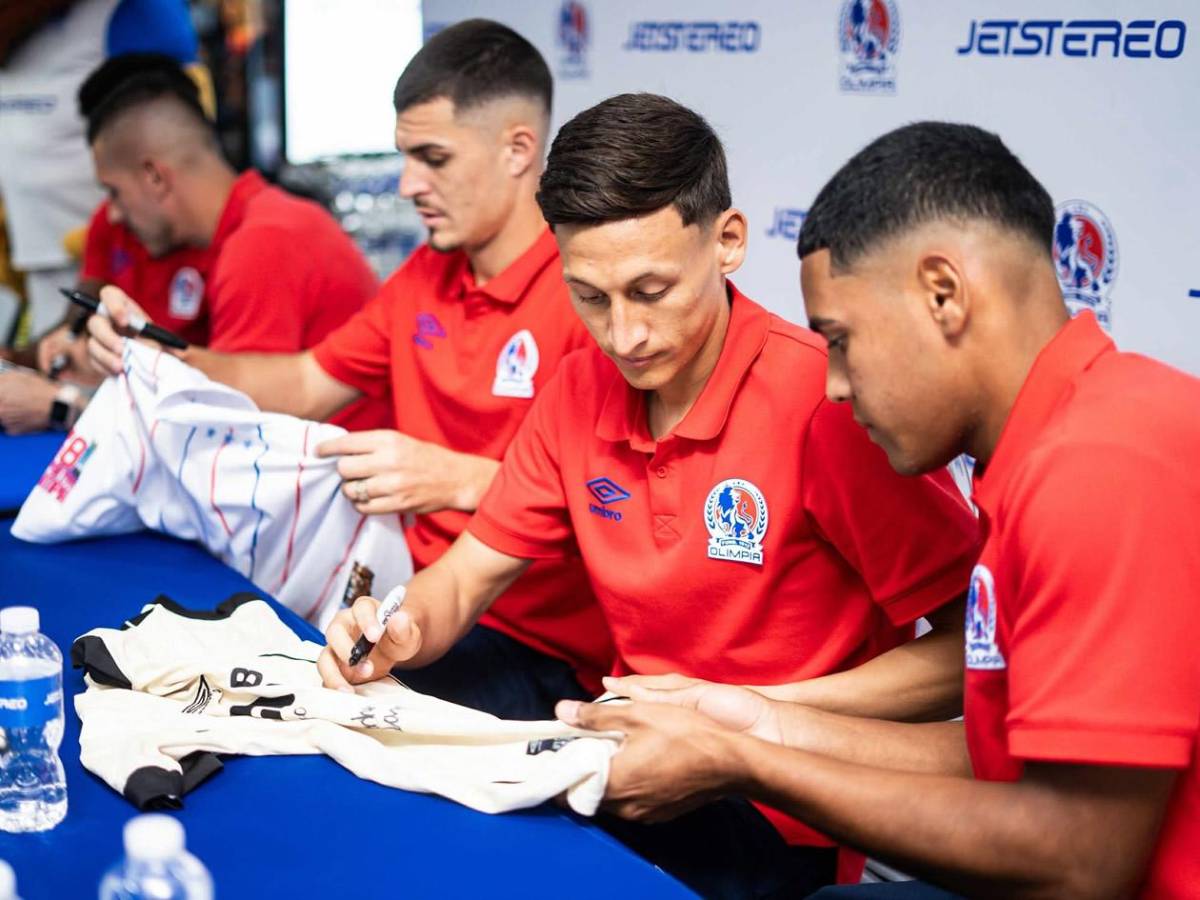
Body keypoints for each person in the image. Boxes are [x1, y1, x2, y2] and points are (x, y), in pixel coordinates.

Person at [317, 94, 980, 899]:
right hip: (620, 760)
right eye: (590, 297)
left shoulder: (826, 402)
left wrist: (745, 712)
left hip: (779, 804)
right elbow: (462, 580)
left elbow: (967, 652)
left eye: (651, 291)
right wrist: (399, 629)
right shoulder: (575, 391)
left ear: (728, 241)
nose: (622, 334)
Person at [556, 122, 1200, 900]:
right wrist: (741, 721)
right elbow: (1000, 758)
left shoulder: (1101, 466)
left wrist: (745, 761)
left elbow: (1077, 861)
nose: (831, 383)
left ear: (944, 295)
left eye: (841, 339)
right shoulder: (1058, 446)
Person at [89, 20, 615, 719]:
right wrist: (155, 351)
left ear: (519, 149)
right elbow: (305, 383)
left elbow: (625, 507)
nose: (407, 185)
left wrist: (457, 478)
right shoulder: (428, 273)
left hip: (536, 645)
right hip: (411, 600)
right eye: (404, 157)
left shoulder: (591, 297)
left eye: (433, 158)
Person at [14, 52, 387, 434]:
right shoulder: (262, 225)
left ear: (156, 178)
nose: (111, 214)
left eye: (114, 192)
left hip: (332, 480)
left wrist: (65, 406)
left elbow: (228, 426)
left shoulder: (263, 244)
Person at [0, 0, 199, 339]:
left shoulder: (134, 12)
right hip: (34, 262)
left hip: (122, 264)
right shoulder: (17, 35)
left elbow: (175, 133)